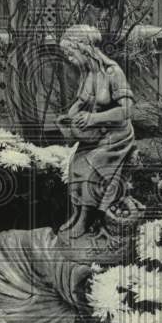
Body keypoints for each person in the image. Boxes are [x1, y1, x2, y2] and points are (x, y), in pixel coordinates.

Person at [56, 24, 136, 239]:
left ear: (83, 49)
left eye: (70, 53)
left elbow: (127, 110)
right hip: (96, 133)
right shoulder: (87, 73)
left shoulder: (113, 72)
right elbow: (80, 102)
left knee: (91, 168)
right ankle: (77, 214)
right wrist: (68, 117)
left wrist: (94, 117)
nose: (69, 58)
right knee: (75, 167)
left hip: (117, 136)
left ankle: (86, 220)